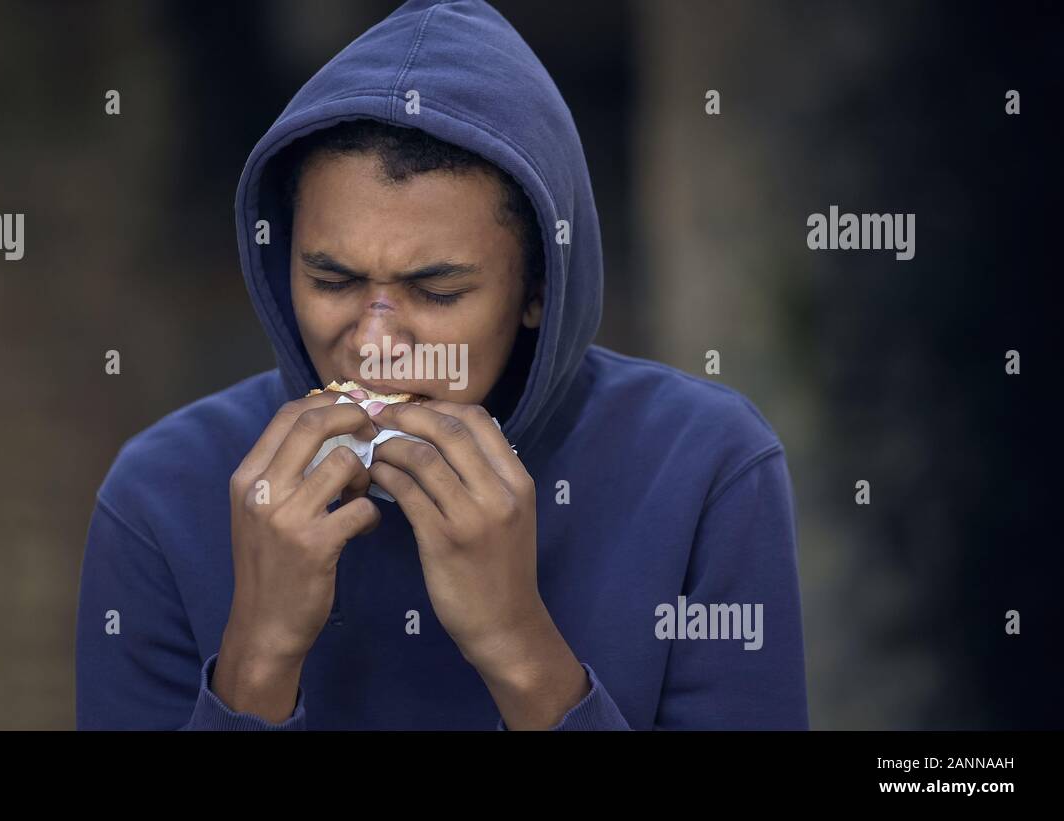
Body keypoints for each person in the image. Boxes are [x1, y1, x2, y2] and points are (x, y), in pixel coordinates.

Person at [75, 0, 808, 730]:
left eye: (438, 290)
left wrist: (516, 644)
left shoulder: (704, 467)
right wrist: (258, 660)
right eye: (333, 281)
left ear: (538, 289)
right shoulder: (160, 495)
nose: (376, 342)